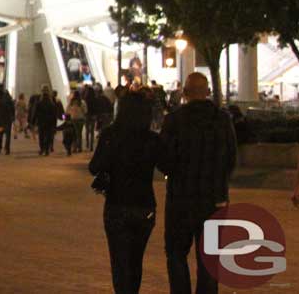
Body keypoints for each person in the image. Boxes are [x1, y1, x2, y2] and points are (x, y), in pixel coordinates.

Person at [158, 72, 237, 294]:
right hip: (214, 199)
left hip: (180, 199)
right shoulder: (222, 120)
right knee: (209, 260)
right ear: (208, 92)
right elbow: (231, 158)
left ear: (185, 93)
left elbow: (164, 160)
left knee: (176, 254)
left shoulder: (174, 120)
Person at [89, 91, 162, 294]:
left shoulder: (111, 135)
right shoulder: (152, 139)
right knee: (135, 261)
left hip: (117, 204)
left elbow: (94, 167)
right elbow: (166, 165)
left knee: (120, 262)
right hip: (145, 205)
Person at [33, 85, 58, 155]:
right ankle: (47, 149)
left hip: (41, 121)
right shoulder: (52, 101)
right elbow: (55, 113)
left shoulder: (39, 101)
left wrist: (33, 121)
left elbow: (35, 112)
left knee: (41, 136)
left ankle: (42, 149)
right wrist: (55, 123)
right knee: (48, 136)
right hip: (49, 122)